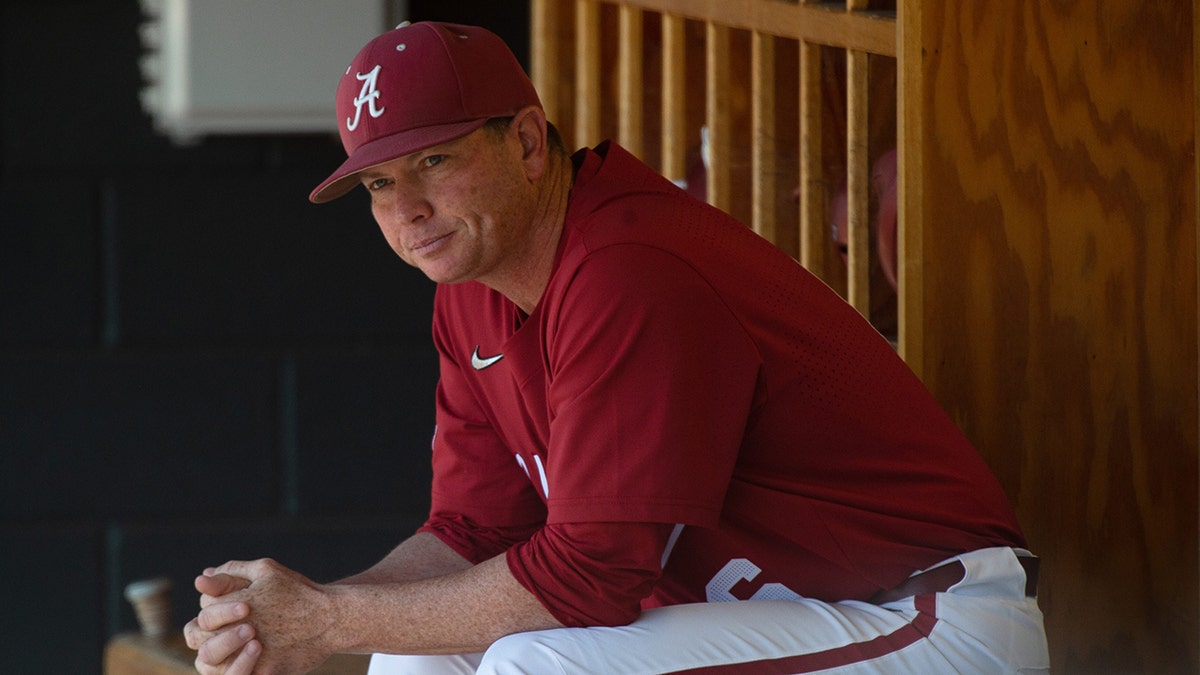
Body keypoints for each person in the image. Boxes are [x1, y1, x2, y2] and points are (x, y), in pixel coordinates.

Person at [184, 21, 1048, 675]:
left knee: (536, 668)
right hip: (781, 614)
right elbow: (476, 529)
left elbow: (588, 578)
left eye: (435, 162)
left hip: (925, 619)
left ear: (525, 141)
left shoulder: (628, 266)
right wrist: (289, 614)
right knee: (416, 656)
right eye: (379, 182)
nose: (405, 209)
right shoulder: (471, 295)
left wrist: (328, 620)